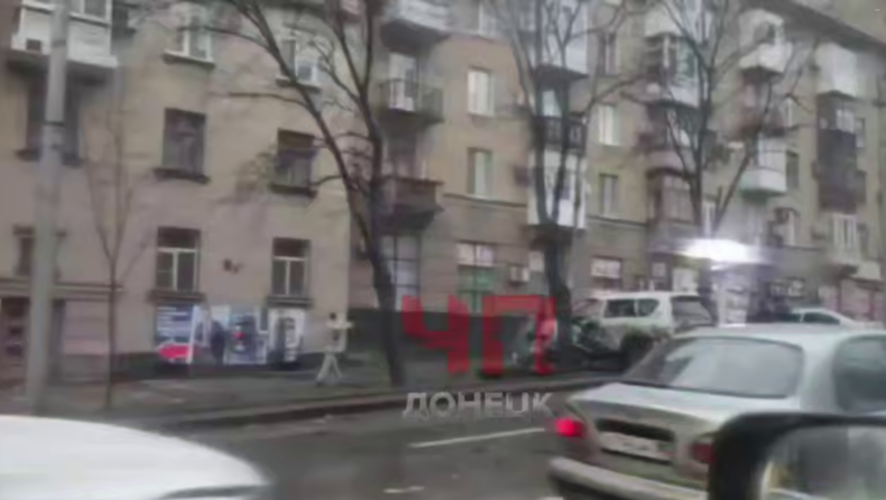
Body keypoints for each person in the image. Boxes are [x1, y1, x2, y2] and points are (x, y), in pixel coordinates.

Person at [316, 312, 352, 385]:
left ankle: (339, 376)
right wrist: (339, 332)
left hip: (327, 346)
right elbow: (336, 336)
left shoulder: (328, 324)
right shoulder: (333, 325)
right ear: (334, 317)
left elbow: (331, 334)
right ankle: (319, 379)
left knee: (333, 361)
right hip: (330, 347)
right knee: (327, 363)